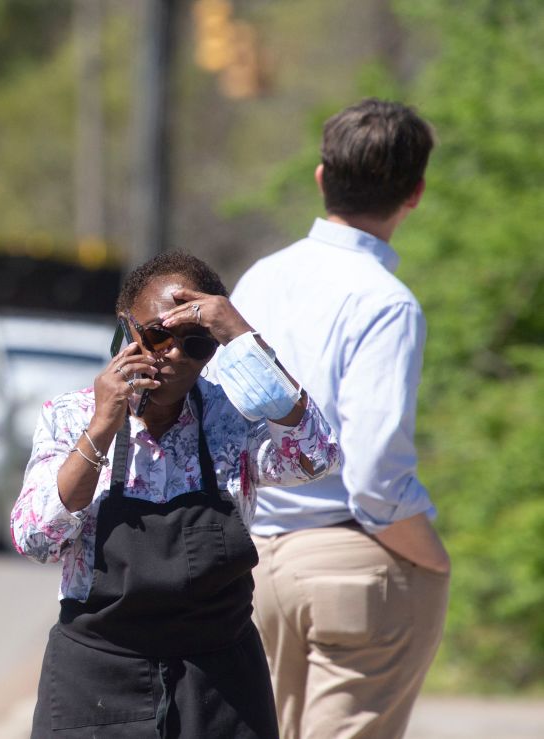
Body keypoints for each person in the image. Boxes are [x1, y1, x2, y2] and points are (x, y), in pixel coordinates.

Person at [12, 251, 340, 738]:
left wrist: (241, 336)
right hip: (98, 677)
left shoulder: (233, 418)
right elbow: (36, 539)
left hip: (221, 680)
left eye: (196, 344)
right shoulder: (70, 417)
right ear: (126, 328)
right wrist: (102, 428)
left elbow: (316, 456)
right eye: (157, 334)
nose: (172, 355)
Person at [230, 98, 451, 739]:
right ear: (415, 194)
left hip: (256, 559)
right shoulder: (386, 303)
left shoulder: (259, 281)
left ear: (323, 177)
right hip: (351, 556)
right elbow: (375, 472)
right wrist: (433, 562)